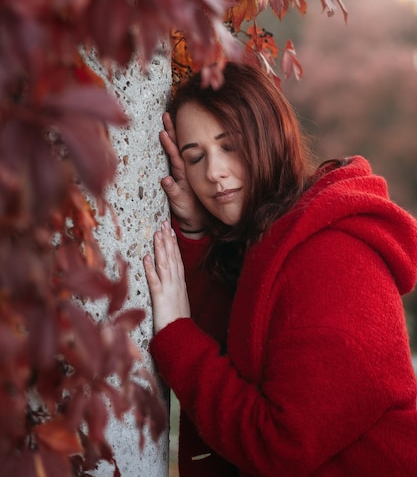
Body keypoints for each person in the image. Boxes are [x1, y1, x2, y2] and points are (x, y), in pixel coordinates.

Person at [143, 60, 417, 477]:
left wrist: (176, 336)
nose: (214, 173)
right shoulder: (269, 246)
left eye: (229, 146)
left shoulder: (334, 258)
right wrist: (196, 234)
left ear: (269, 136)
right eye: (194, 158)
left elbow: (281, 447)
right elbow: (241, 359)